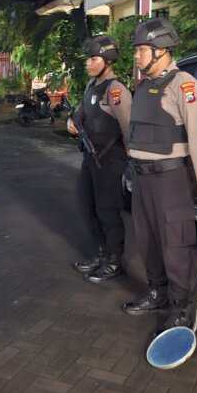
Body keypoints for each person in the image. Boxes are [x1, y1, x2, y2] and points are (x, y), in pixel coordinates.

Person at [122, 17, 197, 331]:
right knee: (147, 240)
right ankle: (157, 293)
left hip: (170, 179)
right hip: (141, 179)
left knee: (175, 244)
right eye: (137, 50)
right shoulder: (143, 86)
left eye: (142, 50)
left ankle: (181, 307)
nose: (137, 56)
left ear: (161, 50)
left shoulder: (184, 85)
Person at [67, 35, 132, 283]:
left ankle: (115, 261)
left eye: (93, 59)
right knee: (86, 205)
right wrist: (71, 123)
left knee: (108, 211)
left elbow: (128, 129)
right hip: (90, 158)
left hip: (111, 161)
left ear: (107, 60)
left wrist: (130, 165)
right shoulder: (91, 87)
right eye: (88, 59)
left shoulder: (116, 90)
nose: (88, 63)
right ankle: (100, 254)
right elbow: (79, 115)